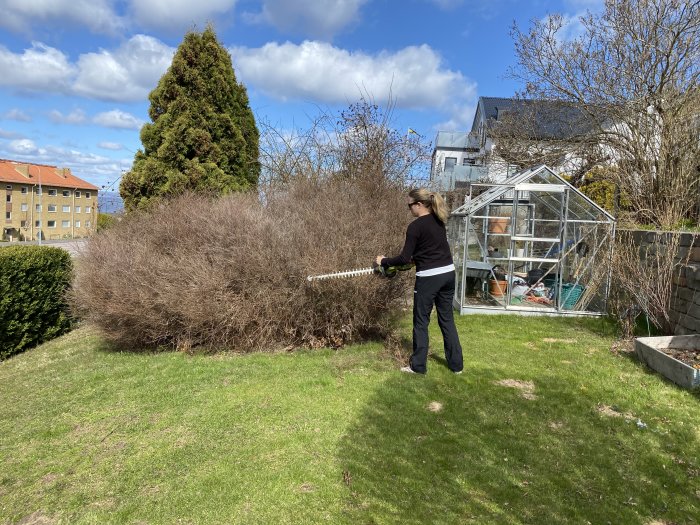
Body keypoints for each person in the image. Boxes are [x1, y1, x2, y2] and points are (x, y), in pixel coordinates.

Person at [375, 188, 463, 375]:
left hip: (429, 278)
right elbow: (430, 249)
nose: (409, 210)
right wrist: (418, 259)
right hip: (448, 274)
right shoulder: (438, 221)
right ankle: (457, 366)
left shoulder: (415, 226)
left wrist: (383, 261)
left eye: (409, 206)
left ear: (419, 205)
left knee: (421, 321)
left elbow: (404, 258)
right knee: (446, 319)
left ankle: (418, 366)